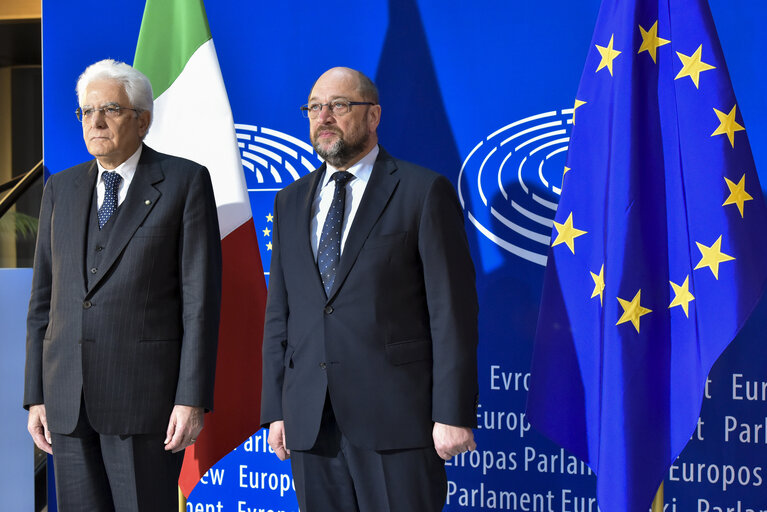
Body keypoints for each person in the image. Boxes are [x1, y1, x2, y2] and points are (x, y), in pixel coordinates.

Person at [261, 66, 479, 511]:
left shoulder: (421, 191)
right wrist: (277, 407)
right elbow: (280, 313)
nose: (323, 117)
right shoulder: (289, 201)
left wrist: (451, 413)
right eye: (314, 108)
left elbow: (452, 312)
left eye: (339, 106)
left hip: (396, 423)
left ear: (373, 116)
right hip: (311, 422)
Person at [23, 59, 222, 511]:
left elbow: (199, 303)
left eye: (109, 109)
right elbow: (43, 300)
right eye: (86, 112)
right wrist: (36, 394)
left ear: (142, 120)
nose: (95, 122)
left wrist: (191, 398)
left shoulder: (184, 183)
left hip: (144, 404)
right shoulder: (62, 188)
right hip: (67, 405)